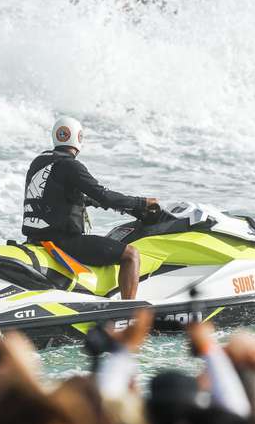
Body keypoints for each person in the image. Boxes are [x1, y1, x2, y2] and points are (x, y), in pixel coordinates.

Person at [22, 117, 157, 299]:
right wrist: (142, 203)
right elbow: (104, 195)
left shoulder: (39, 162)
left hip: (36, 238)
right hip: (63, 242)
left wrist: (90, 202)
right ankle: (129, 311)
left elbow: (54, 197)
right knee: (131, 255)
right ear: (79, 138)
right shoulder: (71, 165)